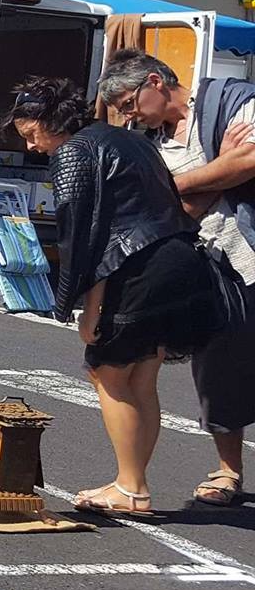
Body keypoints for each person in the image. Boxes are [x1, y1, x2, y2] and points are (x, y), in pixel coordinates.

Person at [10, 75, 223, 516]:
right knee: (142, 377)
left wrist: (85, 308)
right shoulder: (130, 141)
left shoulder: (72, 153)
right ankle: (133, 482)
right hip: (181, 259)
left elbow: (85, 237)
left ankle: (130, 486)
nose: (32, 147)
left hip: (138, 266)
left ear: (49, 122)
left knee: (106, 371)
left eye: (31, 135)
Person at [98, 50, 255, 508]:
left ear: (155, 81)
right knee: (217, 365)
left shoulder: (233, 100)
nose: (129, 116)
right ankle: (229, 470)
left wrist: (178, 182)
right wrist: (222, 170)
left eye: (129, 103)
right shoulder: (152, 140)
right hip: (205, 263)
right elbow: (169, 211)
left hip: (249, 248)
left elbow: (250, 162)